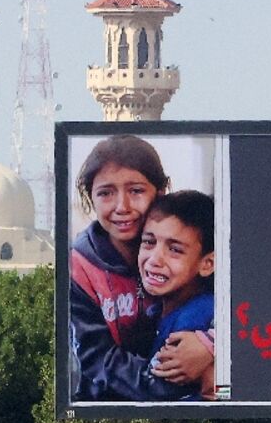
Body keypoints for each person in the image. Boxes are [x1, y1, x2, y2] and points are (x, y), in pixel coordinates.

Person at [68, 135, 204, 401]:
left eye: (136, 191)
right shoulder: (79, 268)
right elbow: (98, 360)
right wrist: (175, 384)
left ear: (161, 191)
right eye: (106, 193)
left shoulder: (190, 249)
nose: (123, 207)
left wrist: (210, 351)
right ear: (90, 197)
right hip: (109, 417)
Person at [139, 191, 217, 400]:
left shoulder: (196, 317)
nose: (155, 259)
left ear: (207, 264)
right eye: (148, 242)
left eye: (174, 249)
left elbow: (161, 394)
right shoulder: (156, 309)